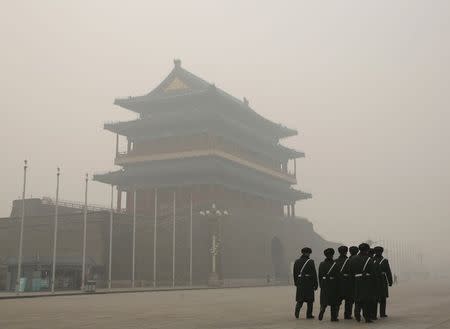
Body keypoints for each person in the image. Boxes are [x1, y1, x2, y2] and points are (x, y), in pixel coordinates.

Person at [349, 243, 376, 323]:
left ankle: (357, 314)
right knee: (366, 300)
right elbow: (373, 273)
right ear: (367, 250)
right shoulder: (369, 259)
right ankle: (367, 318)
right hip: (366, 281)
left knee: (357, 298)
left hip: (356, 280)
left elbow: (351, 272)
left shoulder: (353, 259)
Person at [293, 247, 318, 319]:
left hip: (300, 282)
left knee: (300, 299)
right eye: (309, 253)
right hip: (308, 282)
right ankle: (309, 315)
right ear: (307, 253)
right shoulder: (310, 261)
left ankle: (297, 310)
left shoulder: (297, 261)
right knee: (310, 300)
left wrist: (296, 282)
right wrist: (315, 284)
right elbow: (314, 273)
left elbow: (295, 273)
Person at [318, 248, 340, 321]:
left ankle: (322, 309)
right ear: (332, 255)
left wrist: (321, 284)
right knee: (334, 302)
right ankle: (333, 317)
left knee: (324, 299)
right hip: (333, 283)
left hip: (324, 283)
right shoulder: (336, 264)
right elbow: (338, 276)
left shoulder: (321, 264)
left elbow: (320, 275)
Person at [373, 246, 393, 317]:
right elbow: (388, 272)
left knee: (374, 298)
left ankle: (374, 314)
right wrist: (390, 281)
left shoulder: (371, 259)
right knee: (383, 298)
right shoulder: (384, 260)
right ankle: (382, 313)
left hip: (374, 280)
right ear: (382, 252)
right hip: (382, 280)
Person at [335, 246, 353, 319]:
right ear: (346, 251)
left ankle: (335, 314)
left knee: (337, 300)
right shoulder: (350, 261)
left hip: (338, 282)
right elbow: (352, 272)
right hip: (348, 282)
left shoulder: (335, 261)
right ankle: (347, 315)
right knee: (349, 300)